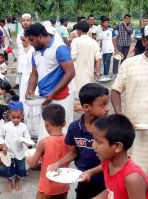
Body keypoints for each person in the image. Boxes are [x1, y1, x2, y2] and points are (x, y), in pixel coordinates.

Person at [48, 83, 110, 199]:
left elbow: (111, 161)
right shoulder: (75, 128)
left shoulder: (109, 128)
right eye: (102, 105)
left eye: (107, 104)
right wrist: (58, 163)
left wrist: (91, 172)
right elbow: (74, 152)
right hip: (83, 180)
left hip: (105, 181)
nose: (108, 108)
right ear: (86, 107)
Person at [25, 23, 75, 140]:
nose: (31, 43)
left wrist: (53, 93)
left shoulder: (60, 48)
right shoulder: (35, 51)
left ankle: (62, 156)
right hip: (46, 96)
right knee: (46, 127)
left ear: (41, 36)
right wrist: (30, 89)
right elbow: (34, 73)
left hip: (62, 97)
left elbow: (70, 73)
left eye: (32, 40)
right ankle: (47, 154)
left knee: (62, 128)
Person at [82, 115, 148, 199]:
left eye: (98, 142)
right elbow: (110, 191)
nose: (93, 145)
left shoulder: (132, 178)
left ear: (117, 147)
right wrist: (90, 172)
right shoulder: (108, 163)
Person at [111, 26, 148, 173]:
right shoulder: (130, 64)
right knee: (136, 173)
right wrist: (120, 115)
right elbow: (115, 90)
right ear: (144, 41)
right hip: (135, 130)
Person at [26, 104, 71, 199]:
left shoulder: (44, 143)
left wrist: (27, 156)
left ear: (46, 125)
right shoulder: (69, 140)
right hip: (63, 186)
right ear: (64, 123)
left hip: (47, 188)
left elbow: (33, 164)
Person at [0, 100, 31, 193]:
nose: (16, 119)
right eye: (13, 117)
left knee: (21, 169)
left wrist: (27, 142)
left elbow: (27, 137)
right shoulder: (6, 126)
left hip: (21, 153)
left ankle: (17, 181)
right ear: (9, 116)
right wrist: (3, 145)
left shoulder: (24, 126)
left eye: (18, 117)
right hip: (9, 153)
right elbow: (0, 136)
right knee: (9, 168)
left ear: (22, 116)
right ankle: (9, 181)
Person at [71, 21, 101, 100]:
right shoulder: (93, 42)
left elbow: (73, 57)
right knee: (87, 96)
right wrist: (97, 72)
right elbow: (98, 58)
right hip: (89, 73)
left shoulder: (75, 41)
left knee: (77, 97)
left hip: (77, 74)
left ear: (79, 31)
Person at [16, 13, 32, 87]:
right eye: (23, 20)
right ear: (21, 22)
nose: (25, 22)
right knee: (22, 88)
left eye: (28, 20)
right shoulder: (19, 34)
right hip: (21, 66)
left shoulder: (34, 34)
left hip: (32, 68)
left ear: (31, 21)